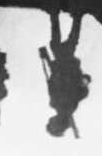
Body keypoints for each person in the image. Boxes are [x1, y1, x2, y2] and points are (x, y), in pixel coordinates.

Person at [40, 10, 91, 138]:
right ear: (58, 123)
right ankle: (71, 16)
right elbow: (82, 92)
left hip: (60, 67)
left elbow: (51, 81)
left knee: (58, 44)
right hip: (68, 67)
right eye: (51, 123)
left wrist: (45, 58)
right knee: (66, 43)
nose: (49, 120)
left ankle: (62, 15)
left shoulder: (56, 104)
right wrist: (84, 81)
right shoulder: (66, 106)